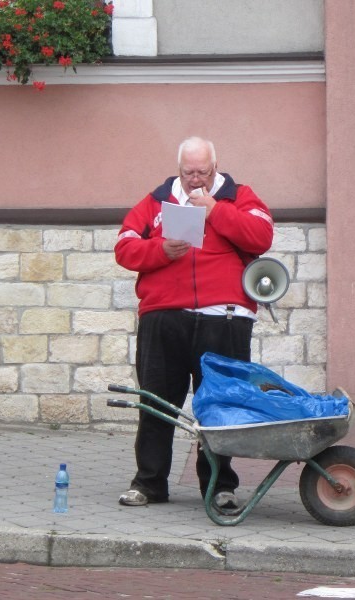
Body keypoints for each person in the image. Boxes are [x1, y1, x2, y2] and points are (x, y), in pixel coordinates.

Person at [114, 136, 274, 508]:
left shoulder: (240, 197)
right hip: (165, 316)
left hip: (226, 318)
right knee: (157, 401)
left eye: (202, 171)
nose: (195, 179)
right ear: (178, 170)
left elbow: (262, 236)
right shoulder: (156, 201)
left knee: (220, 405)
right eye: (189, 173)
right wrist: (160, 250)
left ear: (215, 168)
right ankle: (150, 483)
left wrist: (215, 210)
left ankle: (219, 487)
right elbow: (123, 246)